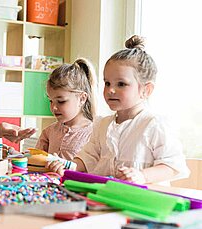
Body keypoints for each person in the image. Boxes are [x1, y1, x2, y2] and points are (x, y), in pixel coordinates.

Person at [74, 35, 190, 185]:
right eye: (107, 83)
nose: (111, 90)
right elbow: (88, 156)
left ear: (146, 90)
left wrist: (142, 176)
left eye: (121, 84)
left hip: (142, 202)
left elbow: (173, 166)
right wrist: (67, 165)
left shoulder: (154, 124)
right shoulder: (102, 125)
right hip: (106, 197)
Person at [35, 59, 97, 173]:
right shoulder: (49, 132)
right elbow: (35, 162)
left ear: (82, 98)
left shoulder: (95, 134)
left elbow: (94, 171)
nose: (53, 107)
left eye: (61, 101)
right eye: (51, 101)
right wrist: (17, 156)